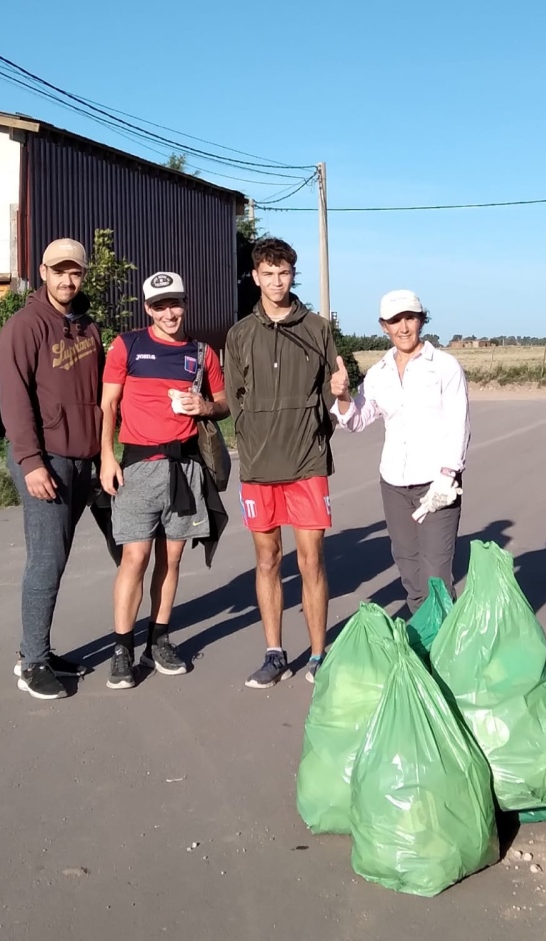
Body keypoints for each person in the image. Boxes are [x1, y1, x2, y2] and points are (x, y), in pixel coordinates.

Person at [99, 272, 229, 691]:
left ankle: (160, 639)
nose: (169, 312)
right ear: (147, 309)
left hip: (185, 469)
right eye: (160, 305)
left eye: (176, 303)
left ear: (185, 304)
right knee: (134, 559)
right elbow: (108, 405)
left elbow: (224, 403)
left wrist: (205, 405)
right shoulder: (127, 345)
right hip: (137, 468)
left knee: (171, 560)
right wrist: (106, 457)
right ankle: (122, 649)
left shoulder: (202, 352)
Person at [224, 238, 339, 687]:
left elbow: (333, 393)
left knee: (311, 560)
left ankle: (317, 655)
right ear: (255, 276)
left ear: (294, 275)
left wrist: (339, 397)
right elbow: (234, 400)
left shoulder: (317, 327)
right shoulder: (239, 334)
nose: (276, 281)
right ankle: (274, 653)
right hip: (257, 466)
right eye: (268, 274)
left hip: (308, 462)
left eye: (284, 273)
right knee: (268, 559)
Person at [0, 238, 104, 700]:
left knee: (61, 557)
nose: (67, 279)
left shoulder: (89, 328)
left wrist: (104, 454)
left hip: (86, 460)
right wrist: (31, 462)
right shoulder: (25, 326)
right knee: (46, 558)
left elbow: (102, 396)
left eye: (74, 272)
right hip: (46, 459)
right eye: (58, 271)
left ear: (83, 274)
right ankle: (32, 662)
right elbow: (15, 400)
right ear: (43, 271)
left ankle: (37, 647)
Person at [331, 289, 469, 614]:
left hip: (436, 484)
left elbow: (459, 424)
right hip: (393, 483)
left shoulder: (444, 367)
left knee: (436, 572)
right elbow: (357, 420)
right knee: (409, 570)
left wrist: (448, 477)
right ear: (384, 326)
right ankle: (423, 643)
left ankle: (444, 651)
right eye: (395, 321)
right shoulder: (379, 373)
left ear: (421, 320)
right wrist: (342, 396)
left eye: (409, 318)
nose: (403, 327)